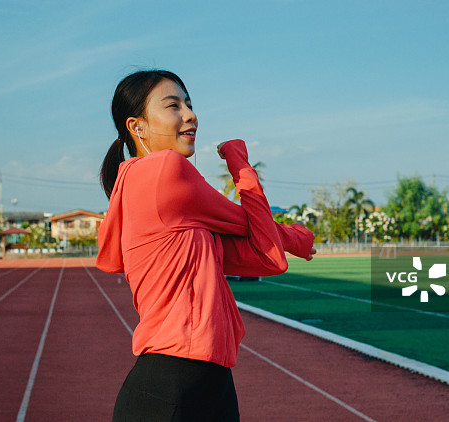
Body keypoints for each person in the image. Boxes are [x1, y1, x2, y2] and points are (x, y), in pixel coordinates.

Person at [97, 70, 315, 422]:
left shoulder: (190, 229)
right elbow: (253, 225)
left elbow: (267, 257)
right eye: (173, 106)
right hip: (171, 386)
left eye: (189, 104)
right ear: (138, 127)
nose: (189, 114)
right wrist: (238, 160)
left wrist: (286, 240)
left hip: (210, 384)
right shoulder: (164, 170)